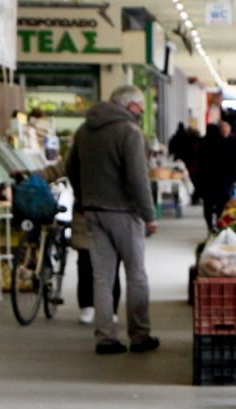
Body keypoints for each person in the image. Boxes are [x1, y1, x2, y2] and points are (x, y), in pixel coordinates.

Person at [66, 84, 159, 355]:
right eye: (140, 109)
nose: (140, 114)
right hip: (124, 213)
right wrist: (149, 216)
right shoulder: (129, 132)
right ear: (130, 106)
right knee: (136, 275)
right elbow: (137, 178)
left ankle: (105, 338)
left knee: (102, 278)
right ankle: (140, 336)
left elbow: (72, 168)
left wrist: (84, 199)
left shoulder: (84, 130)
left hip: (93, 212)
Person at [196, 120, 236, 233]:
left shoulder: (203, 143)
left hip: (207, 180)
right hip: (222, 181)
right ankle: (219, 224)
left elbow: (199, 162)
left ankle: (211, 225)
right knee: (221, 203)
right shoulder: (224, 143)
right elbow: (232, 161)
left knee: (208, 205)